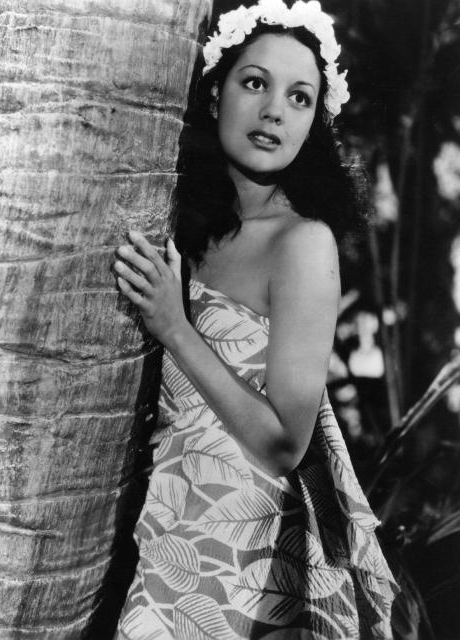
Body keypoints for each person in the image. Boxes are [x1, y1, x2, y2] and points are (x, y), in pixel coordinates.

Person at [113, 1, 399, 637]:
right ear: (216, 94)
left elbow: (285, 444)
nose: (274, 111)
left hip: (241, 559)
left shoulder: (303, 243)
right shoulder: (189, 227)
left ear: (314, 123)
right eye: (254, 83)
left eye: (299, 98)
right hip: (165, 526)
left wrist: (175, 326)